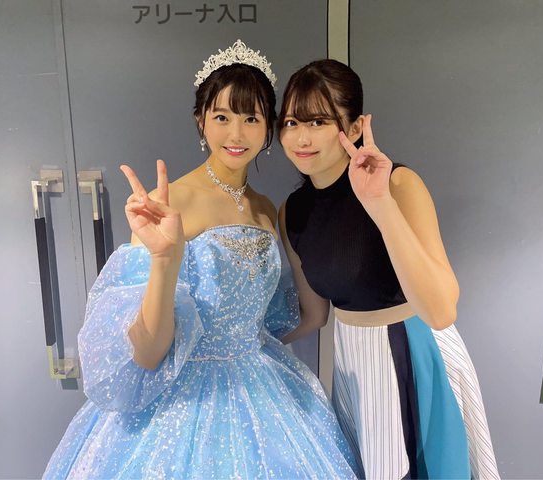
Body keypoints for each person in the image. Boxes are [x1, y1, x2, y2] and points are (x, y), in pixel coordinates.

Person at [43, 41, 360, 479]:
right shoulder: (167, 204)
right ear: (201, 121)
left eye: (251, 118)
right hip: (180, 406)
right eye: (222, 117)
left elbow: (300, 316)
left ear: (268, 127)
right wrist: (165, 258)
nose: (237, 134)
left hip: (265, 391)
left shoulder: (267, 209)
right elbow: (148, 353)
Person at [278, 59, 500, 480]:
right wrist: (244, 343)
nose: (300, 138)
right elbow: (314, 314)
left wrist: (378, 203)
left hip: (412, 351)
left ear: (355, 128)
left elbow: (441, 311)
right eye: (290, 122)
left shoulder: (398, 184)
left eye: (318, 121)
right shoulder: (294, 212)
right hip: (352, 360)